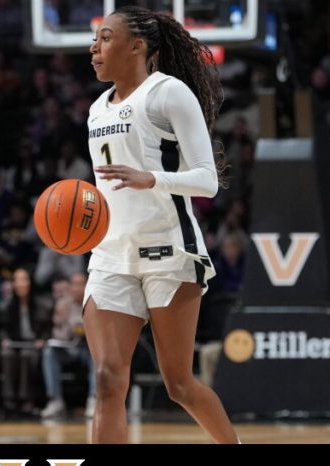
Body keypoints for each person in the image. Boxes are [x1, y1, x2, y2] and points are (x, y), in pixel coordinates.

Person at [84, 6, 238, 443]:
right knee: (107, 378)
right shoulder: (96, 109)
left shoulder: (168, 93)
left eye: (105, 38)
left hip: (169, 250)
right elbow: (108, 189)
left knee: (179, 384)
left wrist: (152, 178)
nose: (94, 48)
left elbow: (207, 180)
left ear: (138, 46)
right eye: (94, 40)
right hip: (111, 254)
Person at [41, 272, 95, 419]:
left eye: (81, 284)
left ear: (87, 285)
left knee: (97, 353)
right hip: (68, 347)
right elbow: (57, 332)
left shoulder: (94, 301)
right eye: (74, 284)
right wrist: (71, 329)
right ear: (70, 287)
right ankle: (55, 400)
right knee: (49, 352)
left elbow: (99, 330)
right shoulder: (62, 304)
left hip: (87, 348)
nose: (77, 288)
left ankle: (94, 399)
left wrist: (85, 330)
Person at [0, 268, 51, 417]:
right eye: (18, 280)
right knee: (6, 354)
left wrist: (42, 340)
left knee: (27, 355)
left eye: (24, 280)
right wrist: (4, 339)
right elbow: (2, 329)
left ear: (30, 282)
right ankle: (9, 399)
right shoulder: (6, 306)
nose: (21, 284)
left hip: (33, 343)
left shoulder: (42, 304)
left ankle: (27, 400)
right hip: (14, 342)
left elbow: (48, 328)